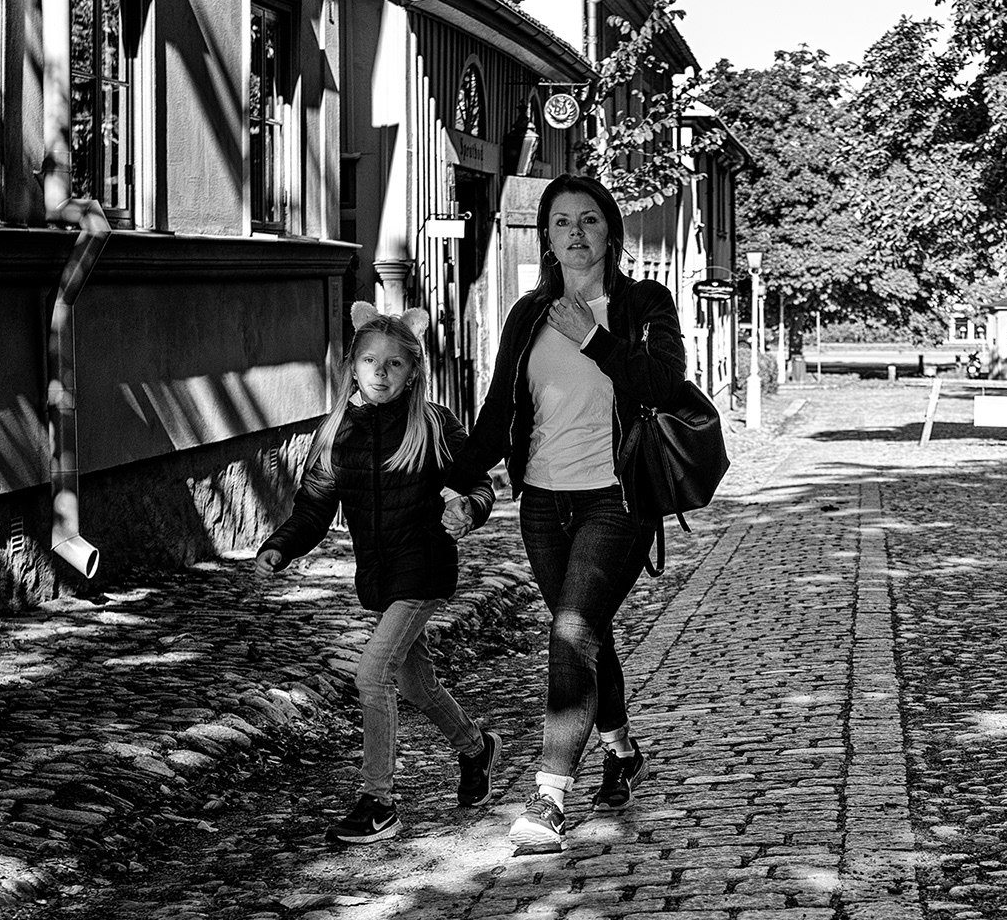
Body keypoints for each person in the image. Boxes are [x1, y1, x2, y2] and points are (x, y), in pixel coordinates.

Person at [446, 173, 687, 854]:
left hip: (617, 497)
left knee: (572, 628)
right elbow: (498, 411)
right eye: (561, 222)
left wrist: (594, 338)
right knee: (584, 635)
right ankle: (621, 751)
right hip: (543, 503)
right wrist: (449, 480)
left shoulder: (643, 303)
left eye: (589, 219)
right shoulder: (528, 314)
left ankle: (549, 796)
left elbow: (664, 382)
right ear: (546, 237)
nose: (576, 232)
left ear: (610, 230)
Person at [255, 303, 502, 845]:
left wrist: (469, 508)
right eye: (370, 361)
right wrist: (281, 546)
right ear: (353, 365)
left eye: (394, 363)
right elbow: (313, 509)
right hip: (379, 576)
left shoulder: (432, 425)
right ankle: (476, 747)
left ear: (412, 371)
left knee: (372, 675)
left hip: (424, 568)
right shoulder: (336, 432)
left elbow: (479, 483)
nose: (381, 373)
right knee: (416, 682)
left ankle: (379, 801)